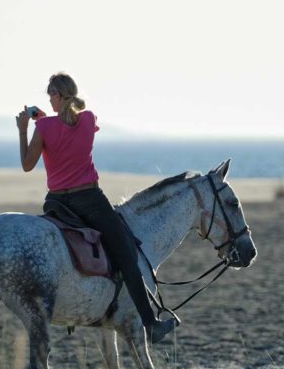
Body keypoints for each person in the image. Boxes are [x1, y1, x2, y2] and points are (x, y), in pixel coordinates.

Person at [15, 72, 177, 344]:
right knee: (127, 256)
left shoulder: (43, 128)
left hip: (57, 203)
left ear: (58, 95)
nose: (49, 100)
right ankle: (150, 324)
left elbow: (27, 164)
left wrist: (24, 129)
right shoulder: (88, 120)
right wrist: (47, 119)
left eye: (51, 95)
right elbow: (69, 128)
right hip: (89, 200)